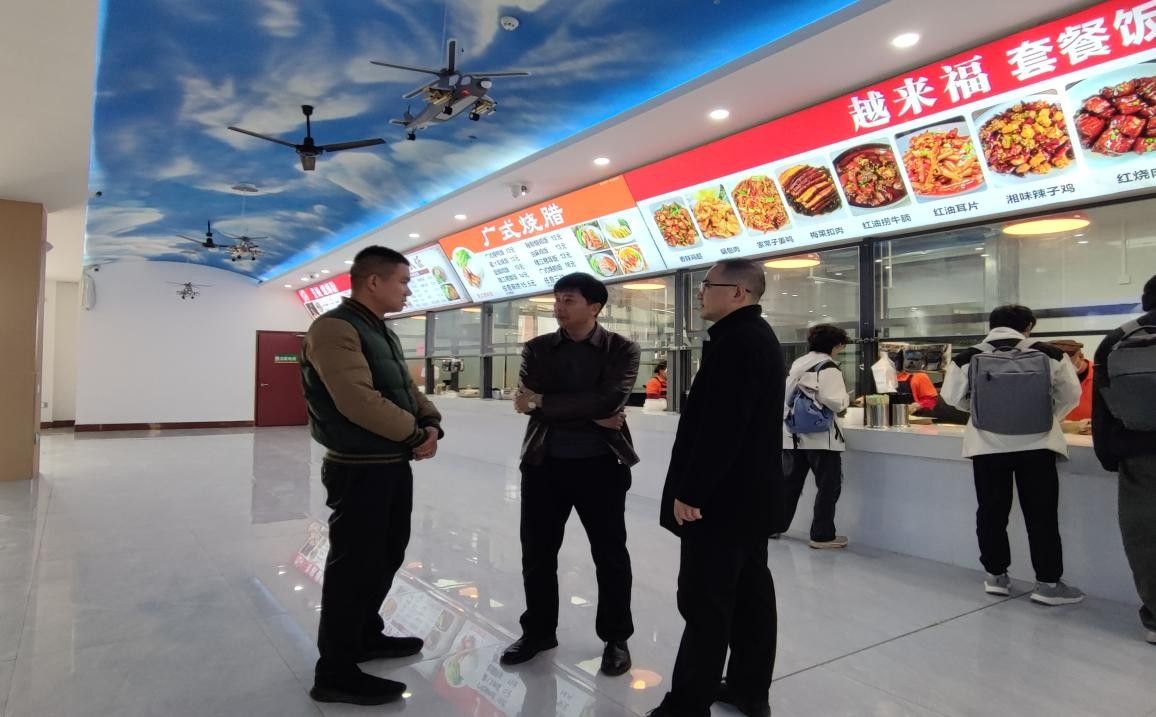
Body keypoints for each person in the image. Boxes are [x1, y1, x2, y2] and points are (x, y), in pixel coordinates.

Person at [299, 246, 443, 705]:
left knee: (385, 555)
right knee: (354, 565)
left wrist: (431, 421)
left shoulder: (379, 330)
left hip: (389, 464)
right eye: (403, 281)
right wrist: (414, 434)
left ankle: (364, 635)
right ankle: (335, 671)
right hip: (358, 467)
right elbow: (356, 400)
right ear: (374, 282)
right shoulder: (334, 328)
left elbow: (405, 388)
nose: (408, 290)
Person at [649, 260, 783, 717]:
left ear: (739, 293)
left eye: (707, 285)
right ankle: (748, 688)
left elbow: (723, 429)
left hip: (721, 503)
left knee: (705, 602)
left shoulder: (738, 343)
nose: (699, 292)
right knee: (749, 597)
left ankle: (687, 705)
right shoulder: (753, 337)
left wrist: (693, 492)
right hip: (748, 499)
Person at [502, 273, 640, 677]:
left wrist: (547, 403)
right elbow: (525, 401)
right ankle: (539, 631)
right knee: (537, 553)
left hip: (602, 465)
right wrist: (593, 412)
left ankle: (616, 638)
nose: (559, 307)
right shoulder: (537, 348)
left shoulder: (622, 349)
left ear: (594, 307)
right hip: (544, 463)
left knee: (610, 555)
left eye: (569, 300)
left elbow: (611, 399)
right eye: (557, 299)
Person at [942, 304, 1084, 606]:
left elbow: (951, 397)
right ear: (1028, 326)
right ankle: (1048, 584)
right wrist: (1047, 416)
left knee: (991, 513)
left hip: (986, 446)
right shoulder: (1050, 354)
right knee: (1042, 516)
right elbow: (1072, 395)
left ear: (991, 325)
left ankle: (996, 576)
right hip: (1038, 445)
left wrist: (981, 410)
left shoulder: (967, 357)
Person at [1092, 275, 1156, 645]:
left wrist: (1109, 454)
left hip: (1138, 453)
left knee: (1145, 539)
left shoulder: (1117, 339)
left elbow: (1103, 408)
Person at [776, 324, 851, 549]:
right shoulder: (828, 367)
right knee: (828, 486)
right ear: (835, 345)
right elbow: (836, 402)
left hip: (792, 435)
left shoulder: (798, 364)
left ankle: (773, 525)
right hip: (821, 439)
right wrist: (846, 400)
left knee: (788, 485)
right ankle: (822, 535)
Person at [1050, 339, 1094, 435]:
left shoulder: (1101, 377)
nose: (1064, 368)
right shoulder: (1049, 377)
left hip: (1091, 437)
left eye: (1068, 363)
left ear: (1081, 357)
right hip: (1061, 436)